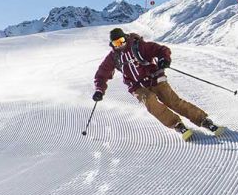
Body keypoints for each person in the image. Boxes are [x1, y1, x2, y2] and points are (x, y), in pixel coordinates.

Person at [92, 27, 227, 140]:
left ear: (125, 38)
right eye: (116, 44)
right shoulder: (114, 57)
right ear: (112, 45)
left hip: (154, 78)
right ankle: (176, 124)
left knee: (172, 101)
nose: (120, 45)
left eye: (121, 41)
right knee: (149, 101)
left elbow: (161, 49)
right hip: (137, 86)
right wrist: (99, 90)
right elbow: (101, 74)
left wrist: (164, 59)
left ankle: (203, 120)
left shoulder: (138, 46)